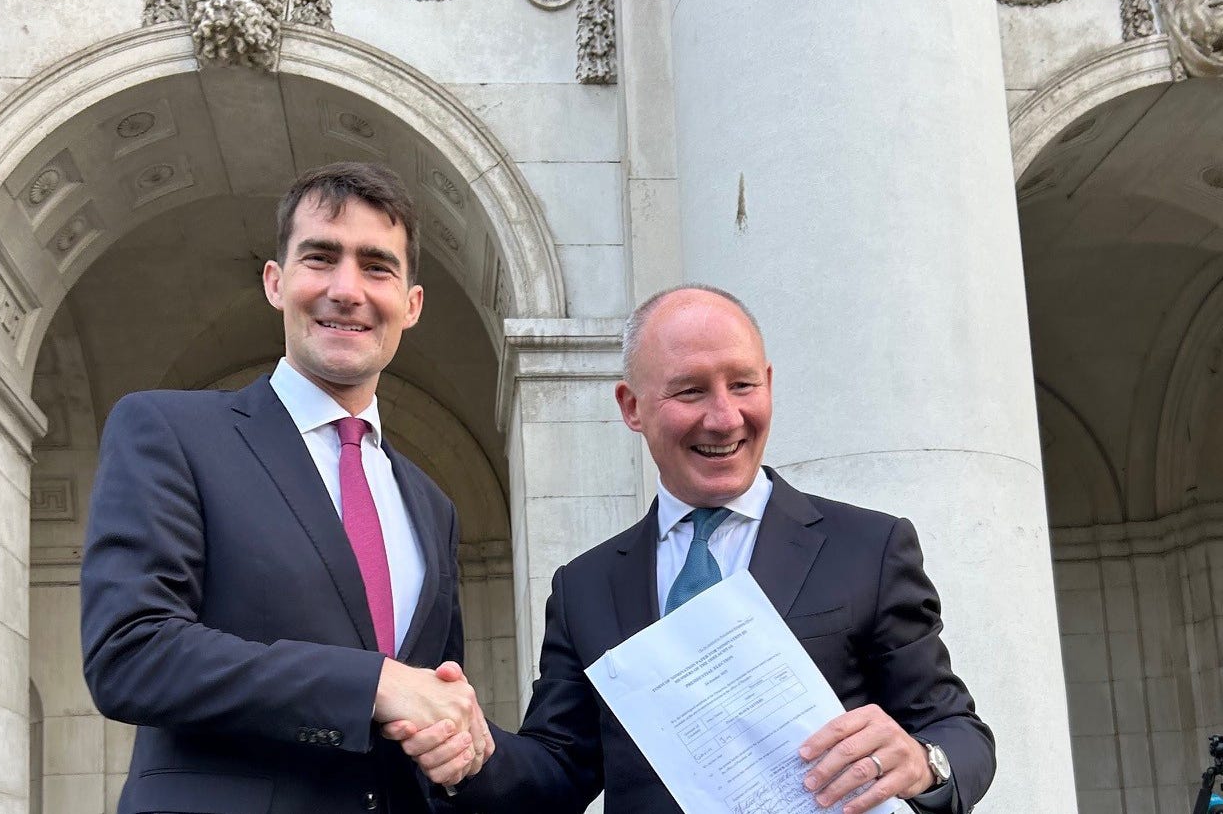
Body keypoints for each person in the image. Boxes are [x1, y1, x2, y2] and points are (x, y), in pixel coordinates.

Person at [389, 285, 995, 814]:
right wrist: (473, 752)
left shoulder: (869, 547)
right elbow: (557, 772)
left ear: (770, 385)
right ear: (632, 407)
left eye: (742, 384)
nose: (724, 416)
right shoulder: (586, 586)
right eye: (690, 392)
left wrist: (925, 760)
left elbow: (958, 731)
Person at [81, 161, 490, 814]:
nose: (346, 289)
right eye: (320, 258)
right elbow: (131, 654)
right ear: (276, 282)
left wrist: (454, 746)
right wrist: (372, 684)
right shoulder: (168, 430)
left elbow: (421, 700)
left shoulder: (430, 506)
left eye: (376, 266)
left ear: (410, 304)